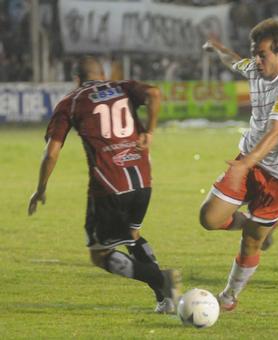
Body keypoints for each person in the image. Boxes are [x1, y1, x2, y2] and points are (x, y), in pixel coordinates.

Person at [28, 56, 181, 313]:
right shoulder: (122, 87)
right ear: (103, 74)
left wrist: (41, 188)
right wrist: (150, 131)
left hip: (110, 184)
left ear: (76, 79)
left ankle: (161, 280)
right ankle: (165, 299)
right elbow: (154, 93)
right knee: (132, 236)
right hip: (142, 178)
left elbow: (51, 152)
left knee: (99, 254)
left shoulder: (72, 101)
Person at [200, 18, 278, 311]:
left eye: (263, 55)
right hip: (249, 160)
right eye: (256, 53)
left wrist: (244, 164)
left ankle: (229, 297)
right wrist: (217, 47)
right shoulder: (254, 67)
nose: (257, 61)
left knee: (251, 242)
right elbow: (234, 61)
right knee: (210, 218)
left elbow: (276, 131)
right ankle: (260, 226)